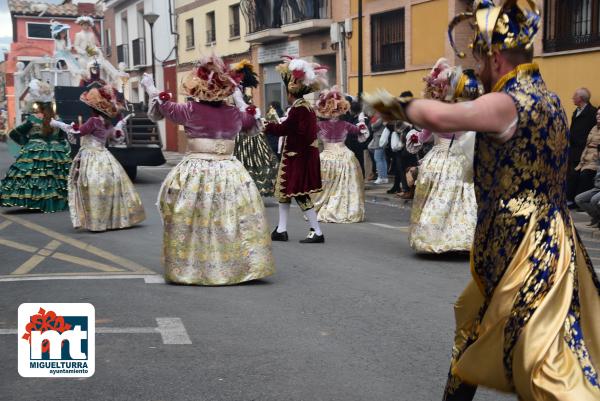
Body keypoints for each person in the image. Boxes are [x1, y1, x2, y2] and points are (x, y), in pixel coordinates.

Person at [365, 1, 600, 400]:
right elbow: (470, 92)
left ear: (494, 56)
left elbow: (440, 118)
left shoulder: (505, 103)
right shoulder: (547, 98)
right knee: (475, 322)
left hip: (521, 240)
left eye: (478, 57)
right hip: (550, 231)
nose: (475, 67)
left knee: (539, 353)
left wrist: (389, 104)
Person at [140, 54, 275, 285]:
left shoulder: (190, 110)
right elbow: (252, 121)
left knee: (194, 217)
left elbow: (164, 107)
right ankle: (235, 265)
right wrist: (241, 100)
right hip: (230, 171)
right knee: (232, 217)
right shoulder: (234, 114)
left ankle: (195, 266)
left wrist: (151, 87)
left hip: (197, 171)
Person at [405, 59, 480, 254]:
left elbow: (422, 137)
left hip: (439, 160)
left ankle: (435, 236)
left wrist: (414, 137)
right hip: (462, 160)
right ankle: (463, 237)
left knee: (437, 198)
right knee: (463, 199)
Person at [264, 56, 328, 243]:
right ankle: (281, 230)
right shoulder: (303, 108)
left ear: (291, 93)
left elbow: (287, 130)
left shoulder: (299, 109)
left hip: (298, 158)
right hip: (295, 157)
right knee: (284, 193)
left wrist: (267, 126)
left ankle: (316, 231)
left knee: (300, 194)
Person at [69, 85, 145, 232]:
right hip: (104, 155)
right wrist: (118, 131)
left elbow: (79, 132)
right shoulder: (106, 123)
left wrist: (63, 125)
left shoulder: (92, 121)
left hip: (91, 155)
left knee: (91, 185)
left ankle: (97, 220)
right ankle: (114, 219)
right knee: (112, 184)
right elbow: (115, 137)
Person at [0, 80, 71, 213]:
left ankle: (36, 201)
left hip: (36, 150)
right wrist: (60, 148)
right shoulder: (58, 120)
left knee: (33, 177)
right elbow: (62, 138)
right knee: (55, 179)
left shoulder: (32, 120)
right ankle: (54, 201)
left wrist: (26, 143)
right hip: (56, 152)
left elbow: (14, 134)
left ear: (38, 105)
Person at [312, 86, 369, 223]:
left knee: (327, 185)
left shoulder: (319, 126)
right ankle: (343, 208)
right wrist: (362, 123)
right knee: (343, 186)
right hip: (345, 158)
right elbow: (360, 132)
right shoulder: (345, 125)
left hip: (326, 159)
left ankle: (325, 206)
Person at [231, 60, 278, 197]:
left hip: (245, 127)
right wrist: (253, 112)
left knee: (253, 156)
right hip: (242, 130)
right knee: (246, 157)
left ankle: (250, 188)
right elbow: (241, 106)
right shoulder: (235, 90)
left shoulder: (238, 89)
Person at [567, 87, 598, 207]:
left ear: (580, 98)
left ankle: (577, 201)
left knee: (581, 175)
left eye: (574, 96)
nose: (572, 98)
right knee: (572, 174)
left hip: (584, 150)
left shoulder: (592, 112)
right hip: (574, 149)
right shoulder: (576, 111)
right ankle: (570, 199)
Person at [367, 114, 388, 184]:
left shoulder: (381, 115)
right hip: (379, 137)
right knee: (382, 158)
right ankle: (384, 177)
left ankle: (381, 177)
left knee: (378, 158)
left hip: (379, 138)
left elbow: (374, 126)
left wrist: (372, 124)